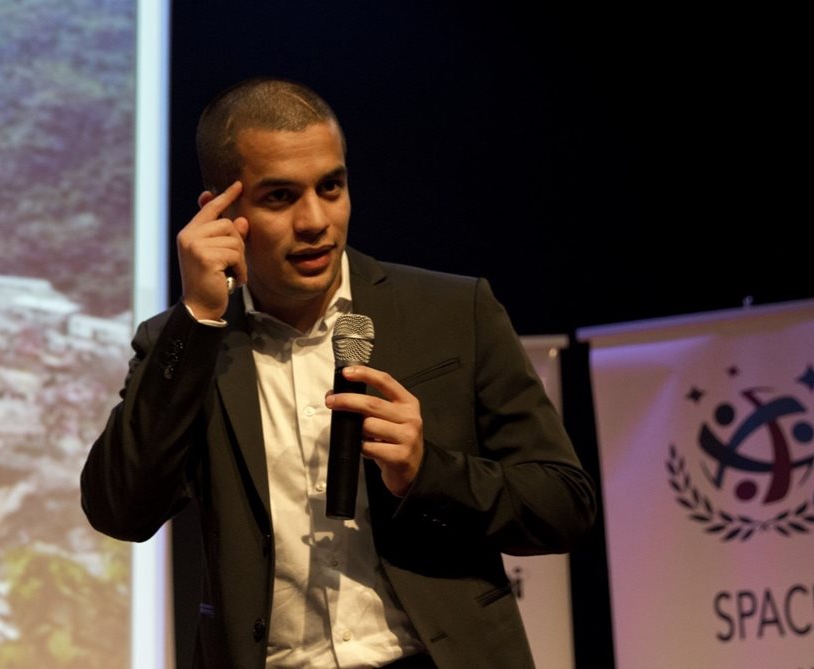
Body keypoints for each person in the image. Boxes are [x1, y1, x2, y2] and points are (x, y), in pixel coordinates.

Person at [81, 77, 597, 669]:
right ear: (222, 212)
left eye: (331, 187)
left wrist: (427, 472)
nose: (315, 221)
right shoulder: (187, 344)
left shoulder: (455, 313)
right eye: (279, 197)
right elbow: (119, 510)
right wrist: (197, 318)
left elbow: (564, 506)